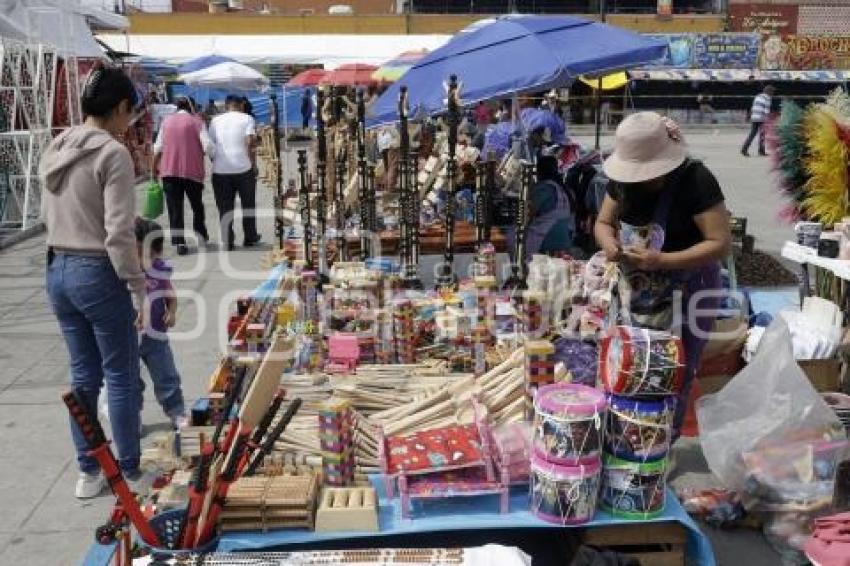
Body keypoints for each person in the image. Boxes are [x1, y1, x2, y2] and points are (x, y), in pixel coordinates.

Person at [41, 65, 146, 498]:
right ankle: (129, 469)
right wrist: (139, 285)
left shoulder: (57, 145)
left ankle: (88, 471)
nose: (131, 123)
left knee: (84, 376)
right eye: (130, 114)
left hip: (57, 268)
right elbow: (119, 232)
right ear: (120, 108)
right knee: (119, 374)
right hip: (96, 269)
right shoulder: (112, 154)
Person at [594, 111, 731, 440]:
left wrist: (663, 260)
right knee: (624, 363)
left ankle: (656, 451)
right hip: (636, 291)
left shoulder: (696, 180)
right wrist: (610, 244)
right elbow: (602, 223)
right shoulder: (623, 183)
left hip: (689, 290)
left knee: (670, 373)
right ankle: (620, 440)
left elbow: (720, 243)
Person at [135, 218, 187, 429]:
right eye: (139, 253)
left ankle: (177, 412)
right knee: (130, 384)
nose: (144, 260)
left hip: (156, 335)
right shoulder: (119, 272)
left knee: (167, 377)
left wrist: (172, 312)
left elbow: (171, 296)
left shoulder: (159, 270)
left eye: (150, 254)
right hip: (128, 340)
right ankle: (131, 419)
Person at [153, 96, 211, 255]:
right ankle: (200, 235)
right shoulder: (197, 121)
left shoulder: (166, 122)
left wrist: (153, 169)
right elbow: (207, 145)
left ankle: (179, 243)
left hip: (169, 172)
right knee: (197, 206)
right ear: (192, 106)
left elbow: (157, 148)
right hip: (192, 172)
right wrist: (212, 156)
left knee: (175, 208)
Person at [209, 95, 261, 250]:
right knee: (248, 204)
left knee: (225, 207)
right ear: (241, 105)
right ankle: (250, 237)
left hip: (220, 170)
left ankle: (228, 240)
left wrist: (215, 160)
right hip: (243, 168)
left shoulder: (215, 121)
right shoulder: (247, 119)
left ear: (226, 106)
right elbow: (249, 142)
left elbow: (210, 144)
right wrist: (253, 164)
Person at [526, 154, 574, 257]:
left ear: (539, 171)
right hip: (564, 240)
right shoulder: (563, 188)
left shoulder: (544, 188)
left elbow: (528, 213)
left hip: (548, 241)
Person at [741, 85, 774, 157]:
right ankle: (761, 151)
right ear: (769, 92)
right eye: (772, 92)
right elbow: (766, 110)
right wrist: (768, 120)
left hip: (754, 117)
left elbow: (753, 107)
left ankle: (744, 149)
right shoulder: (767, 98)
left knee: (752, 134)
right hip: (761, 118)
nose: (773, 94)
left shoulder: (758, 96)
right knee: (762, 135)